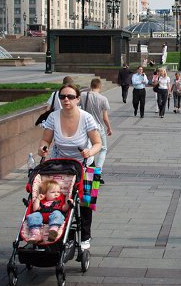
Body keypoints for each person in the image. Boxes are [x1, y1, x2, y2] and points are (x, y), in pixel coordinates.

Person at [38, 83, 102, 250]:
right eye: (62, 97)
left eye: (70, 97)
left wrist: (89, 152)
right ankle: (56, 231)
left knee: (85, 202)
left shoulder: (86, 117)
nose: (66, 100)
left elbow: (97, 143)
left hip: (84, 165)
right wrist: (42, 148)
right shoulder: (53, 117)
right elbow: (46, 140)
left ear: (78, 99)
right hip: (61, 166)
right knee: (55, 199)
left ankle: (85, 238)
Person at [80, 78, 112, 184]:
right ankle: (98, 171)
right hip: (98, 127)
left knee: (88, 149)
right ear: (100, 86)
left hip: (84, 127)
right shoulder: (103, 99)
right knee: (102, 149)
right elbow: (105, 117)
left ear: (91, 85)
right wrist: (109, 127)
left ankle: (89, 171)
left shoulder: (83, 95)